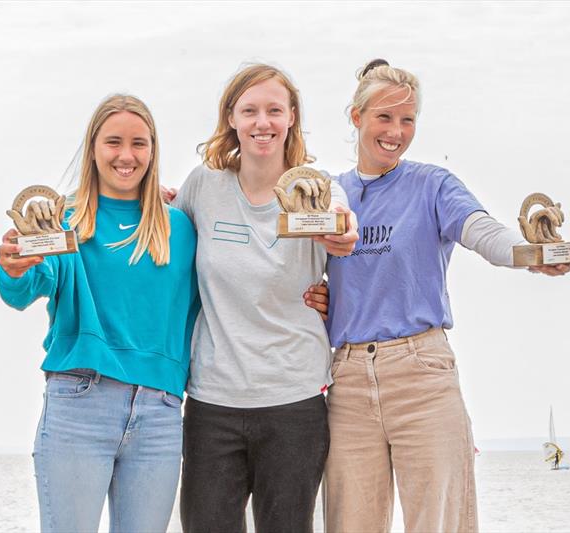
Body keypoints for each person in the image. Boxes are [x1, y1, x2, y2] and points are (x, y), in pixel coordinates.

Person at [317, 59, 570, 533]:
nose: (396, 132)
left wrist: (528, 254)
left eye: (408, 120)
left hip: (422, 376)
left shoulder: (432, 184)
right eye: (384, 117)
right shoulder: (332, 195)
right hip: (348, 381)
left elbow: (483, 232)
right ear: (356, 117)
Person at [0, 94, 199, 533]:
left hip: (161, 414)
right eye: (114, 142)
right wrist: (12, 266)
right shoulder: (63, 221)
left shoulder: (179, 228)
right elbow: (25, 285)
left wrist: (316, 294)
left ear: (153, 151)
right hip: (79, 407)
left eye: (139, 144)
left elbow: (225, 295)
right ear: (93, 148)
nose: (127, 156)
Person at [172, 63, 358, 533]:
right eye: (250, 110)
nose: (263, 122)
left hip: (294, 403)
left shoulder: (320, 189)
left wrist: (342, 233)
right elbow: (162, 243)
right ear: (231, 118)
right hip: (212, 404)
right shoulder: (202, 186)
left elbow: (341, 226)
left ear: (292, 117)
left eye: (275, 110)